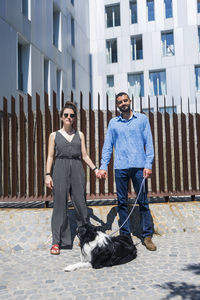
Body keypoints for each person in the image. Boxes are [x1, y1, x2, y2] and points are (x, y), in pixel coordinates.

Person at [97, 92, 156, 251]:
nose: (123, 103)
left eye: (125, 100)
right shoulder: (113, 123)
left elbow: (148, 143)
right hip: (120, 168)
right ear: (117, 105)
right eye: (120, 102)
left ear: (130, 101)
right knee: (122, 202)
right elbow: (108, 146)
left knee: (143, 201)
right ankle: (125, 236)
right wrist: (103, 166)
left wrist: (148, 164)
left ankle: (147, 236)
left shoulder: (142, 119)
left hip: (139, 166)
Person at [45, 101, 98, 255]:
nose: (69, 117)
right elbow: (50, 156)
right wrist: (48, 175)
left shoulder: (79, 134)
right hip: (59, 169)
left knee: (81, 204)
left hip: (77, 169)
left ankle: (85, 237)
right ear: (62, 117)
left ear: (75, 118)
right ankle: (57, 242)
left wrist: (95, 169)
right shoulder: (54, 135)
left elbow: (85, 155)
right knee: (60, 206)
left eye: (72, 115)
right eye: (66, 115)